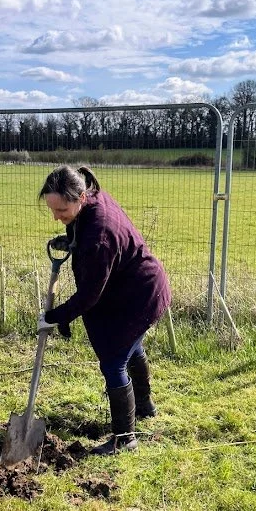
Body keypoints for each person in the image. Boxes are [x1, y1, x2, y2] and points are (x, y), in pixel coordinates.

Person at [37, 165, 171, 455]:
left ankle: (125, 438)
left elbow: (89, 295)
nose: (56, 217)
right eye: (52, 210)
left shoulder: (99, 236)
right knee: (130, 348)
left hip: (139, 295)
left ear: (80, 198)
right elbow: (83, 230)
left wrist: (55, 316)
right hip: (134, 286)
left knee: (113, 361)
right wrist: (72, 238)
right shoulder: (94, 198)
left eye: (61, 210)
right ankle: (145, 406)